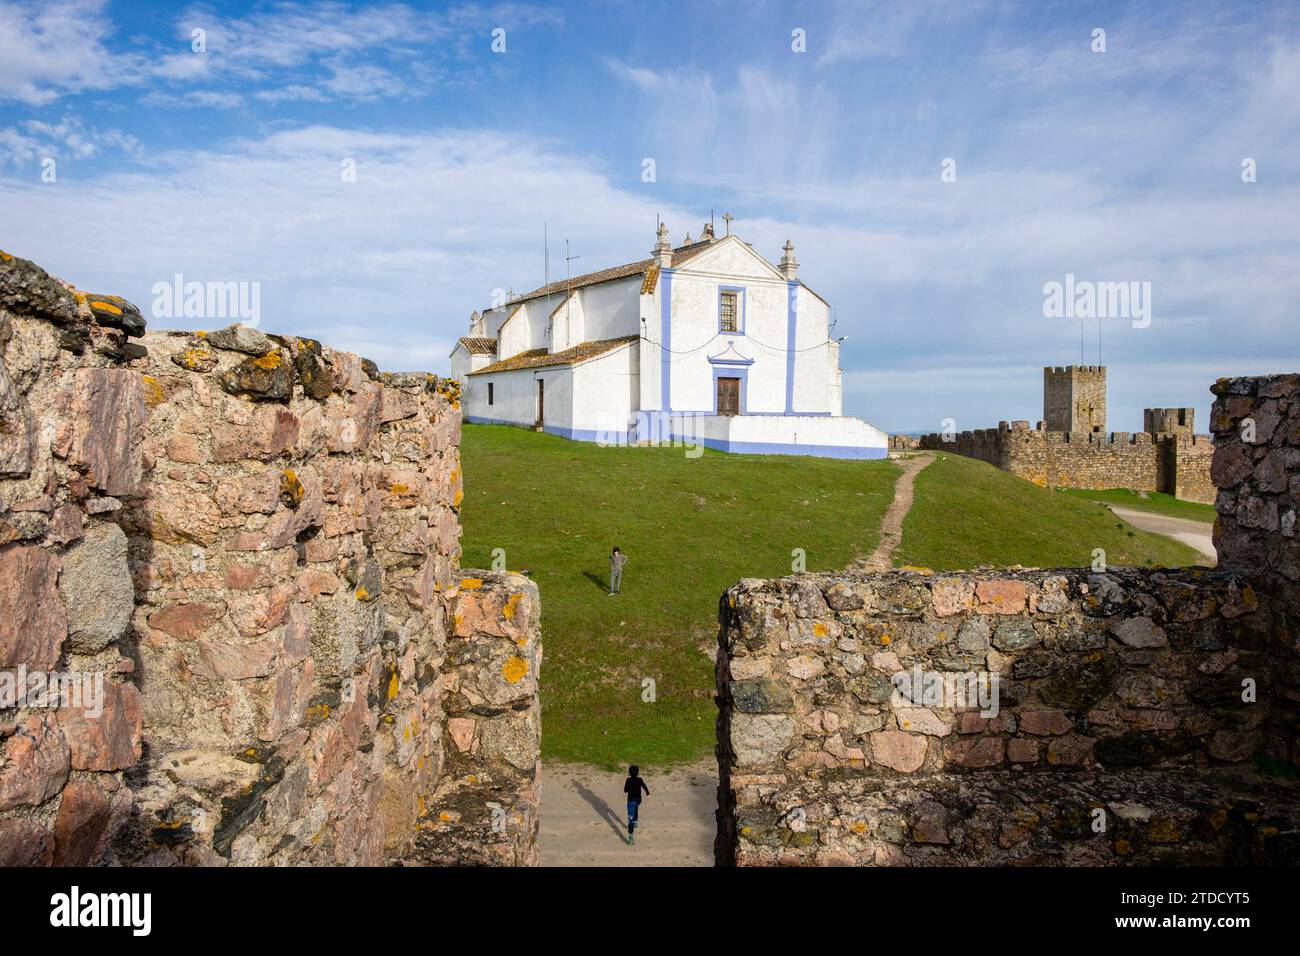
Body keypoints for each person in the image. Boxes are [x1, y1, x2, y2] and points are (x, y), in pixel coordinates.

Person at [623, 764, 649, 844]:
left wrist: (628, 787)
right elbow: (644, 786)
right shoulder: (640, 780)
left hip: (631, 801)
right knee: (636, 808)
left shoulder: (628, 780)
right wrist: (648, 793)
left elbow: (625, 790)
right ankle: (636, 821)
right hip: (638, 800)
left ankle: (630, 837)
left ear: (629, 773)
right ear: (638, 773)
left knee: (630, 820)